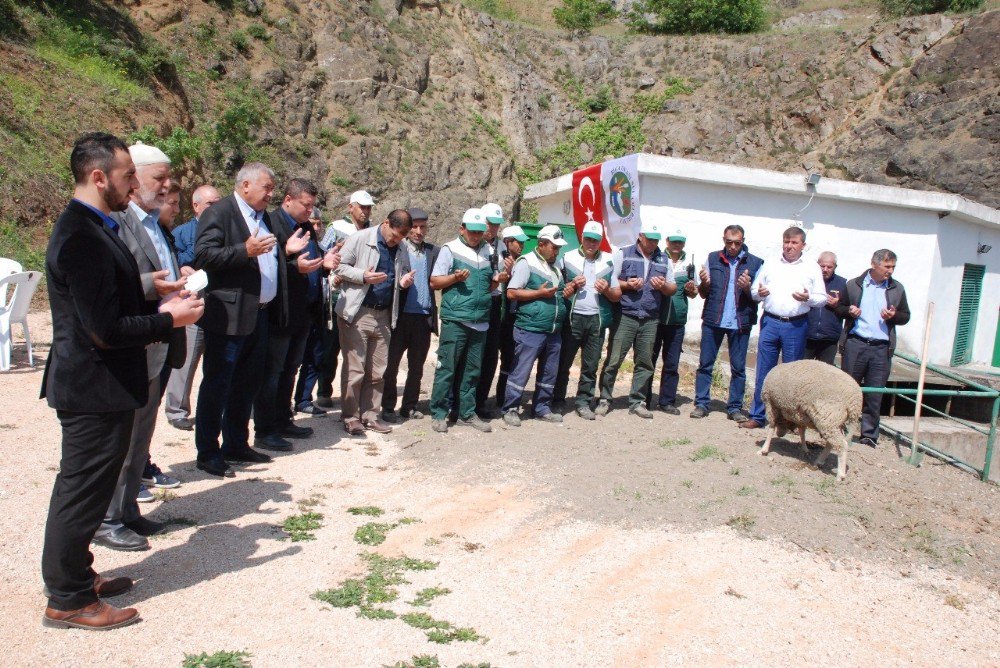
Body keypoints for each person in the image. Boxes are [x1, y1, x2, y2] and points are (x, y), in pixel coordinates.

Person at [40, 132, 203, 630]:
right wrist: (169, 319)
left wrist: (145, 287)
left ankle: (78, 575)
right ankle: (67, 599)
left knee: (89, 487)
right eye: (127, 175)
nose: (135, 185)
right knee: (82, 489)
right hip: (93, 385)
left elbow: (100, 296)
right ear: (97, 177)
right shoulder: (82, 234)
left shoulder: (95, 225)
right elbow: (104, 329)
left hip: (100, 383)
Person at [93, 141, 189, 552]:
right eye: (158, 178)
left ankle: (128, 508)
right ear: (133, 181)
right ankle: (108, 518)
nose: (168, 186)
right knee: (123, 435)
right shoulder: (116, 220)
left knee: (141, 435)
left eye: (169, 178)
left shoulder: (154, 221)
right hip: (136, 341)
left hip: (158, 342)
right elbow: (112, 284)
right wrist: (156, 286)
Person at [194, 162, 306, 477]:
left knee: (246, 384)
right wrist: (244, 250)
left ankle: (236, 444)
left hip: (259, 315)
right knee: (218, 384)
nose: (271, 194)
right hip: (228, 316)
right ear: (246, 185)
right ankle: (208, 451)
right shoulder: (220, 213)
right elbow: (203, 255)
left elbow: (266, 261)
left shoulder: (264, 218)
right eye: (267, 188)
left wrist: (286, 255)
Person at [253, 178, 329, 451]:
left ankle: (283, 420)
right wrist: (292, 263)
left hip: (303, 312)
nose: (310, 212)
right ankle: (265, 429)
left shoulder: (305, 226)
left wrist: (326, 263)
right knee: (271, 373)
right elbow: (270, 264)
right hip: (280, 313)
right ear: (288, 199)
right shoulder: (272, 224)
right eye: (306, 205)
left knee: (289, 371)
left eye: (312, 206)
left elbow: (310, 262)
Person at [333, 209, 415, 435]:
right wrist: (363, 276)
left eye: (401, 237)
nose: (396, 240)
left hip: (385, 315)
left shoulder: (401, 247)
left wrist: (403, 281)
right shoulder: (360, 238)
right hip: (358, 312)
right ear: (386, 223)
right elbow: (339, 266)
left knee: (378, 371)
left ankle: (370, 415)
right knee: (355, 369)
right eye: (395, 235)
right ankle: (350, 417)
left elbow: (400, 275)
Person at [742, 226, 827, 429]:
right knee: (764, 370)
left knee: (792, 376)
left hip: (796, 324)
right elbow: (754, 291)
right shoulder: (770, 263)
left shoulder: (811, 267)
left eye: (794, 242)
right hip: (770, 322)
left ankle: (788, 421)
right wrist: (759, 292)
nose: (789, 246)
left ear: (803, 245)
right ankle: (758, 415)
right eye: (786, 242)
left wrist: (809, 297)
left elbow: (822, 298)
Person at [429, 209, 504, 433]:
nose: (475, 236)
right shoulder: (450, 249)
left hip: (481, 320)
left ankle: (466, 413)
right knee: (447, 369)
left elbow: (491, 287)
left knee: (472, 371)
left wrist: (498, 280)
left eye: (479, 232)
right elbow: (434, 282)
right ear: (462, 229)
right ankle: (439, 413)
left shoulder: (489, 251)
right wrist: (454, 277)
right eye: (472, 231)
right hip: (455, 319)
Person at [596, 220, 676, 419]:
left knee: (645, 363)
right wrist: (627, 284)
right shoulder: (623, 254)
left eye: (656, 241)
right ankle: (605, 398)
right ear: (640, 236)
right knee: (614, 360)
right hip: (625, 315)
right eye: (650, 239)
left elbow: (672, 287)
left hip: (650, 318)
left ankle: (637, 401)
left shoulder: (664, 259)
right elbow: (610, 280)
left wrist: (663, 286)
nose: (653, 244)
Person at [836, 249, 910, 447]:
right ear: (874, 264)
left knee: (875, 393)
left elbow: (905, 316)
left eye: (893, 266)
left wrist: (893, 316)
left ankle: (868, 435)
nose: (890, 270)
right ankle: (841, 431)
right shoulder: (854, 285)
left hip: (881, 348)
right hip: (856, 343)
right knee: (848, 390)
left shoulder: (897, 288)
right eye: (887, 266)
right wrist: (849, 311)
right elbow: (840, 309)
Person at [501, 225, 575, 425]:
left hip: (553, 330)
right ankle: (511, 408)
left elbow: (556, 294)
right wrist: (538, 293)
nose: (557, 251)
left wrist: (565, 292)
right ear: (541, 244)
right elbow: (512, 292)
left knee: (549, 372)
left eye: (559, 248)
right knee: (521, 370)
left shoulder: (556, 266)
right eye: (554, 247)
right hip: (530, 328)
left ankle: (542, 407)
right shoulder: (527, 263)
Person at [691, 225, 764, 421]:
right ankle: (702, 403)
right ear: (723, 239)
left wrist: (747, 288)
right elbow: (704, 294)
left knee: (738, 368)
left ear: (743, 241)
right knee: (705, 363)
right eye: (729, 242)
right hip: (714, 319)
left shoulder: (756, 263)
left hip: (740, 321)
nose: (732, 246)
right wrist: (704, 282)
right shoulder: (713, 258)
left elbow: (757, 297)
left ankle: (734, 407)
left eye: (737, 243)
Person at [163, 184, 221, 430]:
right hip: (192, 301)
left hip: (219, 303)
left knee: (217, 362)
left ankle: (214, 409)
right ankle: (177, 410)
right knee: (187, 359)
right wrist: (183, 268)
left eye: (219, 203)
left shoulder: (227, 230)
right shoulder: (182, 232)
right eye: (210, 204)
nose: (215, 208)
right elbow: (170, 259)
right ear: (196, 206)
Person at [553, 221, 621, 420]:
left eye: (596, 240)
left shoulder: (609, 261)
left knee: (590, 365)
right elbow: (558, 289)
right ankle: (558, 399)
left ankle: (583, 402)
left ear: (600, 241)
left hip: (596, 321)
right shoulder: (568, 257)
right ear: (582, 238)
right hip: (573, 319)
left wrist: (606, 290)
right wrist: (572, 285)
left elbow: (617, 294)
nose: (591, 243)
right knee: (564, 362)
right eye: (588, 239)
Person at [314, 189, 374, 409]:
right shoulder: (337, 227)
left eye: (369, 208)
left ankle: (354, 393)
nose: (366, 212)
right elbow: (321, 252)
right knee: (331, 346)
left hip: (362, 293)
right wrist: (335, 250)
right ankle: (324, 390)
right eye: (362, 207)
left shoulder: (372, 231)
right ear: (351, 207)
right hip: (338, 291)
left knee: (358, 348)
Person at [382, 207, 439, 422]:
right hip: (401, 316)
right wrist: (402, 283)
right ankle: (387, 407)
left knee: (417, 367)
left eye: (422, 227)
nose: (418, 231)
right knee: (392, 365)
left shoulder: (433, 251)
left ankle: (410, 406)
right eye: (414, 227)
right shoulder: (397, 248)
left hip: (423, 318)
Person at [295, 207, 343, 415]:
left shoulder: (317, 245)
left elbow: (323, 272)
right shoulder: (296, 243)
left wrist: (326, 265)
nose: (316, 227)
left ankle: (304, 399)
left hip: (318, 309)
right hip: (297, 309)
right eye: (312, 223)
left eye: (318, 224)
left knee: (316, 355)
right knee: (291, 361)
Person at [646, 229, 699, 414]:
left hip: (677, 321)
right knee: (648, 360)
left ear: (684, 243)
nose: (677, 245)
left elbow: (693, 294)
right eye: (674, 242)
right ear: (667, 241)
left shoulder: (689, 265)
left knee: (671, 363)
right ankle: (644, 399)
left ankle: (666, 401)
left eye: (680, 242)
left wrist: (691, 289)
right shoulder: (657, 258)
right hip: (655, 318)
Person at [475, 202, 509, 417]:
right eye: (490, 224)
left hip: (495, 303)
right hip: (478, 301)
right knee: (471, 353)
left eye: (497, 225)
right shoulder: (473, 244)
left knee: (490, 355)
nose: (494, 229)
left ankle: (480, 402)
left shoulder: (502, 247)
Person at [494, 225, 528, 407]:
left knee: (509, 358)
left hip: (512, 317)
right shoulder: (500, 259)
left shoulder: (520, 261)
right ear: (507, 242)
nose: (521, 245)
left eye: (522, 241)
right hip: (497, 315)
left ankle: (503, 397)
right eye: (518, 241)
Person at [805, 251, 847, 365]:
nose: (825, 269)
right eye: (822, 266)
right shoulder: (808, 280)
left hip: (829, 338)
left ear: (835, 267)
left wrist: (836, 305)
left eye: (829, 267)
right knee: (802, 372)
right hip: (807, 335)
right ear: (817, 264)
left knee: (824, 376)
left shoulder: (842, 283)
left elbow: (846, 311)